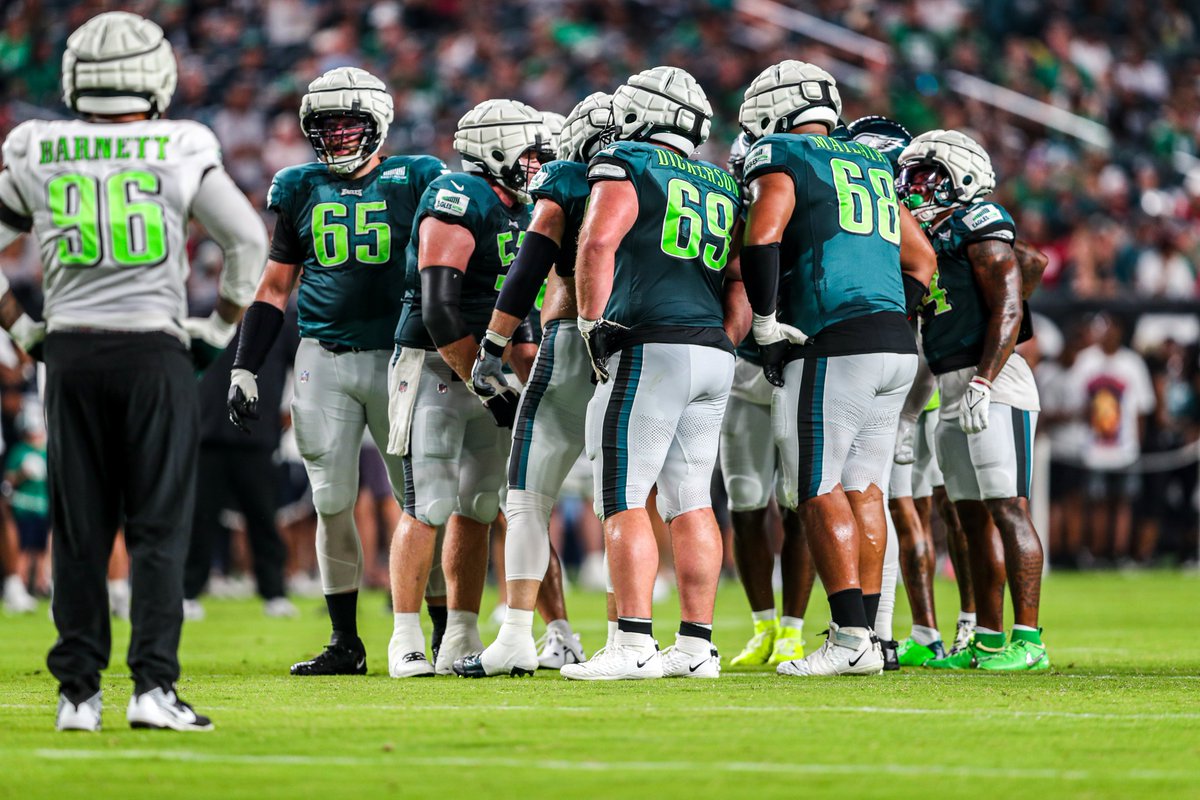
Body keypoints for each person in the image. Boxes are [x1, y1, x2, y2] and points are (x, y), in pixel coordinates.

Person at [0, 11, 267, 731]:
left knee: (80, 528)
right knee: (156, 527)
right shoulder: (182, 142)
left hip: (73, 352)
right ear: (157, 75)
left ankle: (77, 696)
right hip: (154, 350)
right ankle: (153, 689)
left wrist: (24, 329)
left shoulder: (36, 144)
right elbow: (246, 239)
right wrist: (216, 329)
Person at [226, 66, 449, 676]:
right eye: (325, 125)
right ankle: (345, 642)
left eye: (349, 122)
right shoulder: (299, 185)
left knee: (421, 501)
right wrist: (245, 366)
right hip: (322, 358)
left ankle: (446, 636)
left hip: (402, 357)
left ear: (377, 122)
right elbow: (275, 287)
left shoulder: (420, 177)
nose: (338, 135)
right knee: (330, 501)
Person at [738, 60, 936, 677]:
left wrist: (766, 320)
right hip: (893, 346)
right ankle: (870, 636)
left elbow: (762, 236)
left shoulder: (784, 153)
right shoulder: (875, 163)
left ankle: (849, 637)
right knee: (866, 489)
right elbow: (922, 259)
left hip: (831, 340)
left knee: (816, 488)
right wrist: (883, 309)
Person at [562, 65, 747, 681]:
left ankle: (633, 643)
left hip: (651, 343)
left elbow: (596, 244)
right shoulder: (722, 178)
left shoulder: (629, 161)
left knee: (621, 494)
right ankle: (695, 646)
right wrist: (725, 338)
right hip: (712, 347)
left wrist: (591, 323)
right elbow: (741, 280)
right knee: (692, 499)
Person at [386, 99, 552, 677]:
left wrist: (524, 383)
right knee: (426, 501)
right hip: (437, 361)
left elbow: (523, 311)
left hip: (490, 365)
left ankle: (461, 632)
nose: (537, 167)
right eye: (530, 154)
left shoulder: (520, 209)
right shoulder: (458, 195)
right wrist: (482, 379)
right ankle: (405, 635)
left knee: (480, 505)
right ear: (497, 150)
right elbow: (438, 309)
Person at [454, 92, 615, 678]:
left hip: (575, 338)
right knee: (639, 501)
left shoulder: (571, 178)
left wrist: (492, 345)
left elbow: (530, 268)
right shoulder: (680, 179)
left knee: (523, 497)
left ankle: (519, 635)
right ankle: (636, 638)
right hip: (661, 346)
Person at [897, 129, 1049, 671]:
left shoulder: (978, 221)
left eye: (925, 175)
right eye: (910, 175)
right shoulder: (928, 236)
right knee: (969, 518)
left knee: (1009, 509)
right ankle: (986, 639)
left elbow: (1010, 301)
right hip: (949, 383)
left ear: (959, 174)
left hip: (995, 382)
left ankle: (1028, 640)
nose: (913, 186)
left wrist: (985, 379)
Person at [720, 132, 813, 668]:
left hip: (795, 361)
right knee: (747, 503)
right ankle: (764, 624)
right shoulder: (727, 208)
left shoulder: (797, 209)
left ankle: (795, 628)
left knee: (799, 501)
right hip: (743, 368)